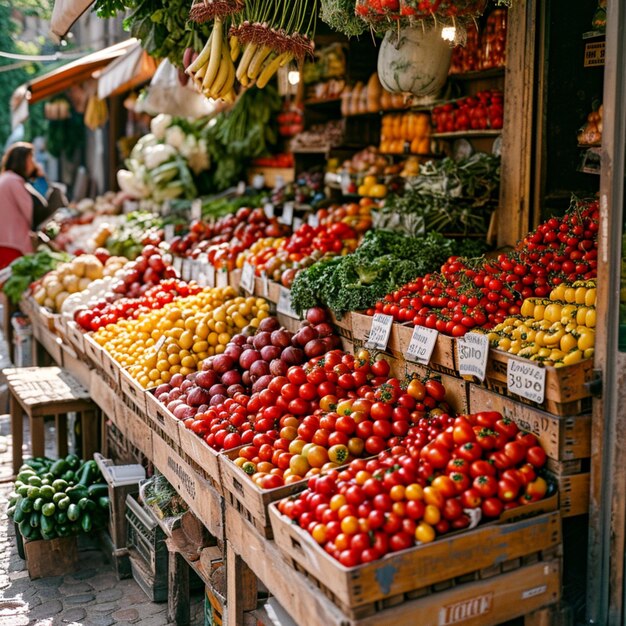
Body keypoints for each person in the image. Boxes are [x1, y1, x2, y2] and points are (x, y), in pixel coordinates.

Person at [0, 142, 40, 269]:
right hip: (12, 245)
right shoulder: (14, 181)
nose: (34, 163)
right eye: (31, 158)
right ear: (22, 160)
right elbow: (31, 213)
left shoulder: (6, 178)